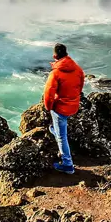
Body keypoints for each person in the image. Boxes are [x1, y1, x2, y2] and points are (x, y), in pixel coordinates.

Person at [43, 43, 85, 174]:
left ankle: (68, 165)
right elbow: (80, 86)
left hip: (61, 108)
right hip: (74, 105)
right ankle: (54, 130)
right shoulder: (78, 69)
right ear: (66, 54)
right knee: (59, 128)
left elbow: (48, 94)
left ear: (54, 56)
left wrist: (49, 108)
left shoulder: (55, 73)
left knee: (62, 137)